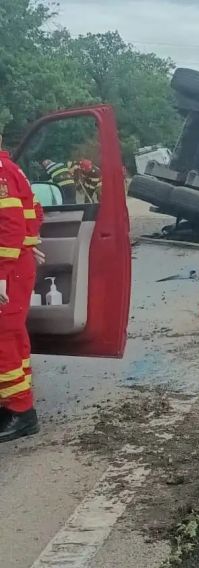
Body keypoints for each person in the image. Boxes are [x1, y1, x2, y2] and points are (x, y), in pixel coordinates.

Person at [0, 135, 39, 442]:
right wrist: (30, 239)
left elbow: (10, 224)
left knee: (4, 337)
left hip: (8, 268)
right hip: (15, 264)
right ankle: (12, 404)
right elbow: (33, 211)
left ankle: (21, 412)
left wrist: (2, 271)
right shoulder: (11, 168)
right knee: (13, 335)